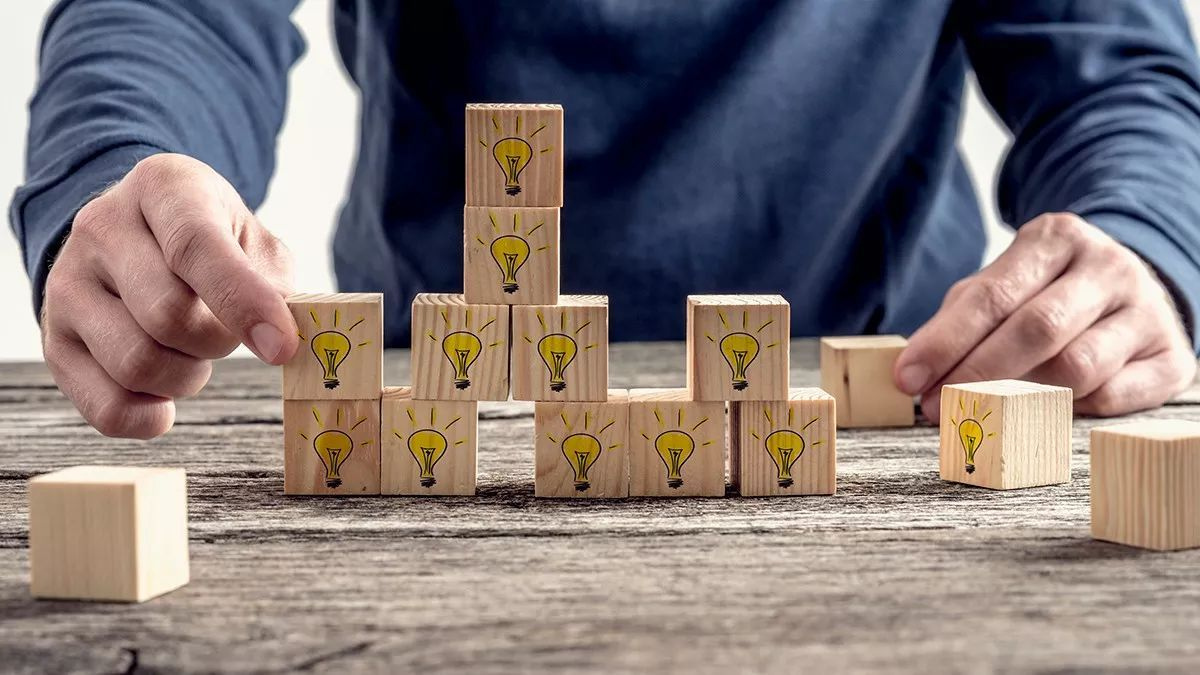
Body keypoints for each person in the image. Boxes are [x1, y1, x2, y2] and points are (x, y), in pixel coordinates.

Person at [10, 1, 1200, 439]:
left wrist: (1146, 237)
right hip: (445, 388)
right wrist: (119, 165)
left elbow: (1120, 74)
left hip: (889, 388)